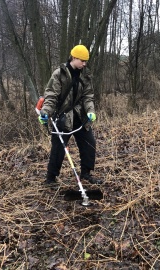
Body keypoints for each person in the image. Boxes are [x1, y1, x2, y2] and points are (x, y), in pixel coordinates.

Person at [38, 44, 103, 185]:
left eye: (86, 61)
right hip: (62, 117)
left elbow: (88, 96)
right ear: (74, 57)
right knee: (58, 148)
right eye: (82, 61)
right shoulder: (59, 74)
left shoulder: (85, 75)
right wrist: (45, 112)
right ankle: (50, 179)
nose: (84, 64)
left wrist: (91, 111)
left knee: (89, 143)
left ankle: (86, 174)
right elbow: (51, 96)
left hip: (80, 115)